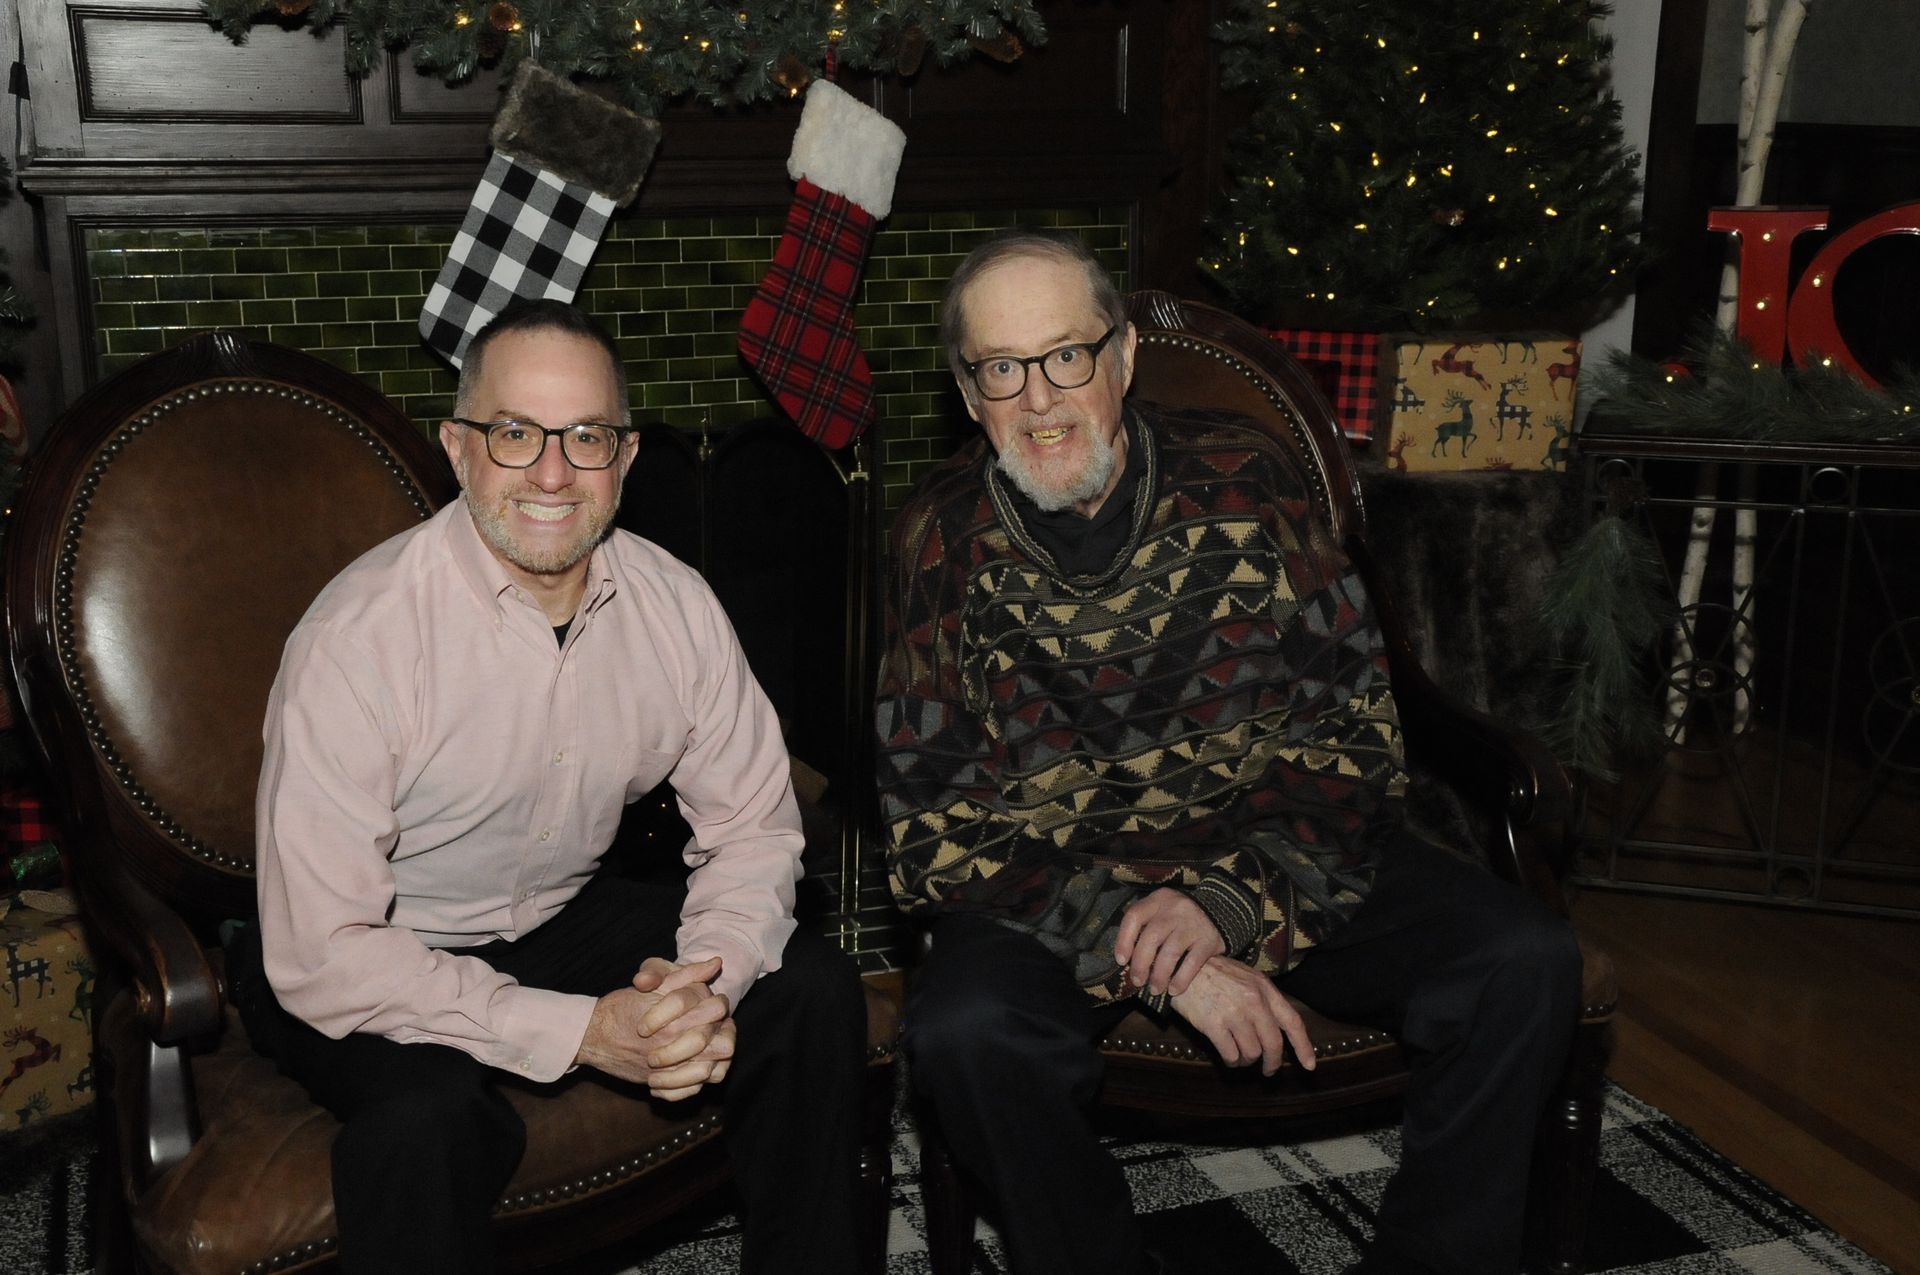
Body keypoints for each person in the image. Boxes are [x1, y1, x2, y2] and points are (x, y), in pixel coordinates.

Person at [876, 231, 1581, 1275]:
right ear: (968, 393)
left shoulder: (1249, 478)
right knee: (966, 1030)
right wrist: (1165, 962)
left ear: (1122, 357)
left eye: (1066, 355)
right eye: (1003, 369)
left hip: (1274, 844)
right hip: (1059, 885)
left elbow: (1351, 729)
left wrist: (1226, 903)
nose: (1040, 398)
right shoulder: (937, 540)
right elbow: (937, 830)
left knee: (1523, 960)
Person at [233, 299, 866, 1275]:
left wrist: (703, 982)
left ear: (627, 455)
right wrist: (585, 1032)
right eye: (516, 433)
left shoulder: (675, 606)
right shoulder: (356, 640)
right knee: (427, 1121)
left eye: (587, 436)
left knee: (812, 989)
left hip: (557, 914)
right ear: (458, 448)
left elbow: (752, 825)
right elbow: (323, 951)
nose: (554, 473)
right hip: (373, 945)